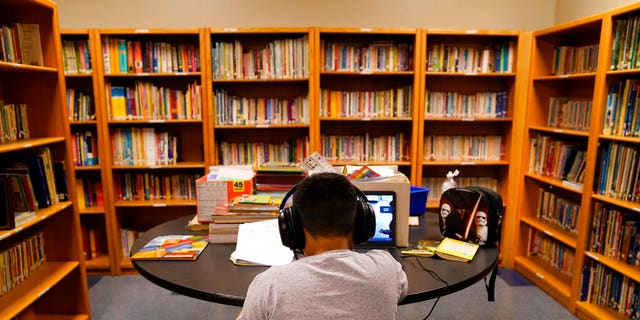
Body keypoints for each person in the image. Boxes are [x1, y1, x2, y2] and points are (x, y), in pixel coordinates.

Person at [237, 172, 408, 320]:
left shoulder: (269, 285)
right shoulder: (387, 268)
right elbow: (400, 290)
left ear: (293, 228)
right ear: (362, 222)